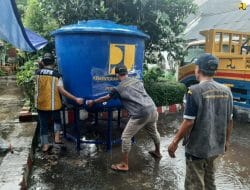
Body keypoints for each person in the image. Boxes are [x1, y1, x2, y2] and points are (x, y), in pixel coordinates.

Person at [168, 53, 233, 190]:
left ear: (198, 70)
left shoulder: (194, 91)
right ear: (214, 71)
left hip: (197, 149)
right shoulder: (227, 91)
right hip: (216, 147)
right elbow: (229, 120)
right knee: (210, 181)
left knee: (195, 184)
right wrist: (226, 141)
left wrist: (174, 142)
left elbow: (189, 122)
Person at [87, 65, 162, 171]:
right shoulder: (137, 81)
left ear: (117, 75)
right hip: (152, 109)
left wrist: (93, 101)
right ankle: (158, 152)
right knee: (154, 132)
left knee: (126, 137)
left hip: (140, 113)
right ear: (127, 73)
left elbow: (106, 98)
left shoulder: (118, 88)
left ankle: (124, 165)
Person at [35, 53, 83, 153]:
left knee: (43, 125)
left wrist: (41, 65)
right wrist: (75, 99)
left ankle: (45, 145)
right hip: (54, 104)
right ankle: (57, 139)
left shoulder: (37, 73)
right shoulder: (57, 75)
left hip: (41, 104)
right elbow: (62, 91)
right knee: (57, 121)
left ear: (43, 62)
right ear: (54, 63)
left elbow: (42, 69)